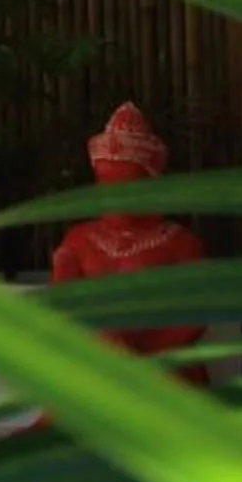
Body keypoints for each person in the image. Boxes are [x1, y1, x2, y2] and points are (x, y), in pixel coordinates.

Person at [48, 102, 207, 377]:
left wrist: (148, 360)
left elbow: (200, 312)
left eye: (125, 182)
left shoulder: (181, 243)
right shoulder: (79, 239)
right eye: (105, 181)